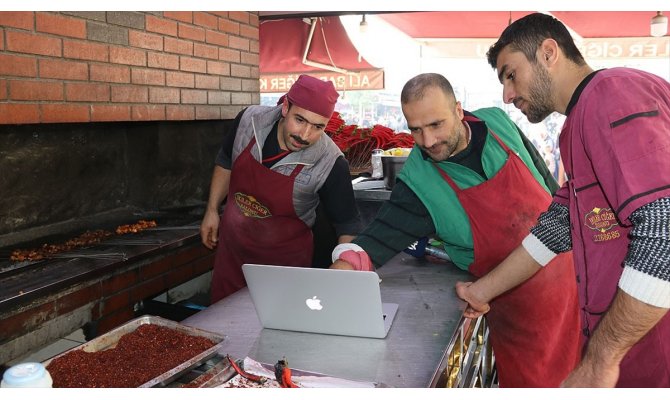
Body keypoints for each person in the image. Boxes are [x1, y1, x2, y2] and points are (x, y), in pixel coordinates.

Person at [456, 12, 670, 388]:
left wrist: (600, 360)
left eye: (511, 74)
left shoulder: (611, 94)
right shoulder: (578, 124)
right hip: (634, 349)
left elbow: (662, 226)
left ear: (549, 53)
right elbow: (559, 228)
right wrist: (480, 292)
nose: (507, 95)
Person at [330, 72, 581, 388]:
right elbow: (373, 243)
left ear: (459, 110)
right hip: (516, 312)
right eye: (416, 130)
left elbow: (548, 185)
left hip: (576, 286)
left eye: (436, 125)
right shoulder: (418, 185)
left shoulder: (498, 123)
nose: (428, 142)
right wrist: (337, 275)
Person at [200, 74, 361, 303]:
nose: (305, 135)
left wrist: (343, 267)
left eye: (317, 127)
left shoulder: (331, 162)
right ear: (285, 106)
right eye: (300, 120)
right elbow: (226, 160)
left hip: (286, 273)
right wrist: (212, 209)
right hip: (233, 258)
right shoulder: (248, 120)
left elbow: (347, 224)